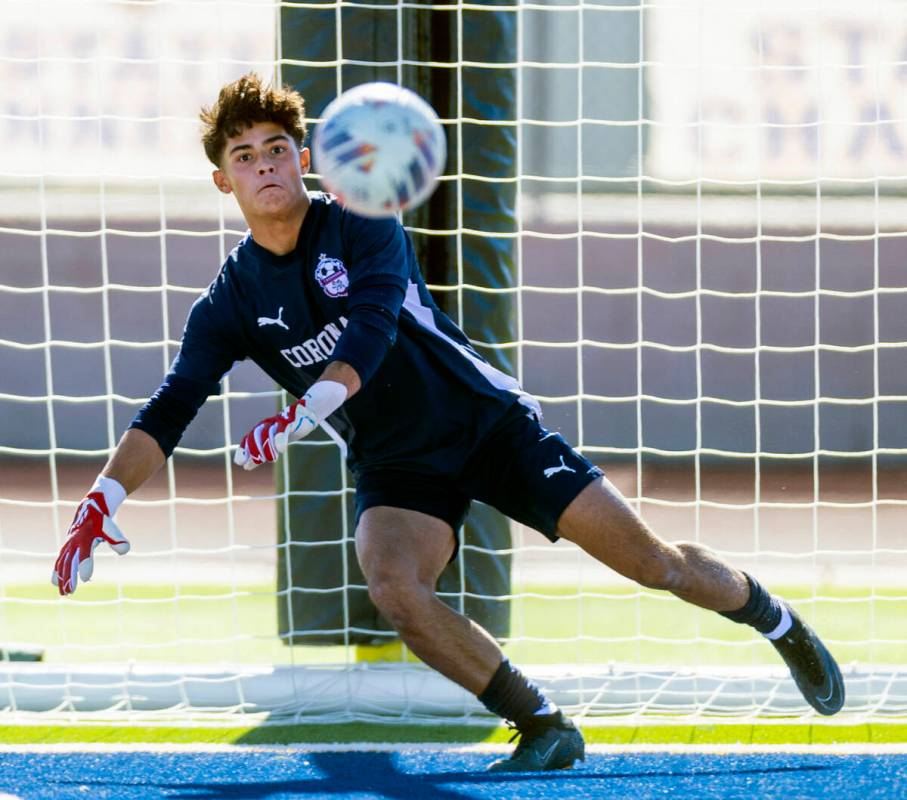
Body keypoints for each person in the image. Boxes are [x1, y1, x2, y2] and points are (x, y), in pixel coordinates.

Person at [51, 73, 845, 771]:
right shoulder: (229, 300)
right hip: (398, 464)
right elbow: (170, 406)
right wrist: (103, 500)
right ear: (224, 182)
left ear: (305, 157)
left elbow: (371, 329)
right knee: (393, 581)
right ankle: (540, 722)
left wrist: (304, 410)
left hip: (486, 425)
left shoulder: (361, 221)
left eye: (277, 147)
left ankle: (774, 620)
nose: (264, 164)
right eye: (244, 155)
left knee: (652, 565)